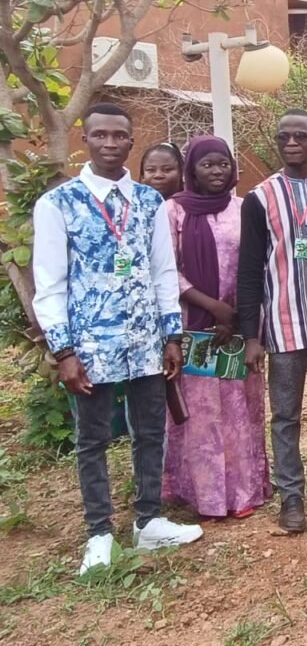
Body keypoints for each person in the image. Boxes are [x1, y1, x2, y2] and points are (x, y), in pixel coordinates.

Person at [32, 102, 202, 574]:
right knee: (93, 439)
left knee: (151, 432)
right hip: (89, 348)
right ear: (86, 138)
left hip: (145, 342)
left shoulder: (149, 203)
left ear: (131, 141)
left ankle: (148, 521)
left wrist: (171, 335)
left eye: (119, 136)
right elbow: (50, 284)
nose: (110, 144)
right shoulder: (58, 204)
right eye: (101, 135)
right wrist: (63, 351)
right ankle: (99, 534)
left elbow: (163, 273)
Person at [236, 109, 307, 533]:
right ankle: (291, 497)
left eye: (300, 135)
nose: (292, 143)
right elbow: (248, 271)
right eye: (284, 137)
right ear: (276, 142)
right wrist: (252, 335)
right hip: (284, 327)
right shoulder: (260, 198)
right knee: (285, 415)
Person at [162, 136, 272, 520]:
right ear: (191, 169)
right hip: (194, 330)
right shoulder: (173, 211)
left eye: (223, 163)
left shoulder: (246, 208)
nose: (216, 170)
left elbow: (259, 265)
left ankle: (244, 491)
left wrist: (238, 315)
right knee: (202, 415)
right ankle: (205, 496)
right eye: (207, 164)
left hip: (241, 328)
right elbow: (164, 270)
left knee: (242, 410)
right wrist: (212, 309)